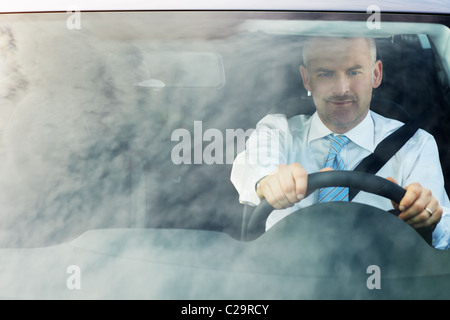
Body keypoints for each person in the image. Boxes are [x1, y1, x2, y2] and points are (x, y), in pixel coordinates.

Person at [230, 36, 450, 249]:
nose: (341, 89)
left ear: (376, 74)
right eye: (325, 74)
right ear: (307, 79)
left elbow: (444, 235)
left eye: (354, 72)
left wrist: (428, 218)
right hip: (287, 278)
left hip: (385, 278)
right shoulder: (279, 131)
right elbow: (251, 165)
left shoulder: (415, 145)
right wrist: (267, 182)